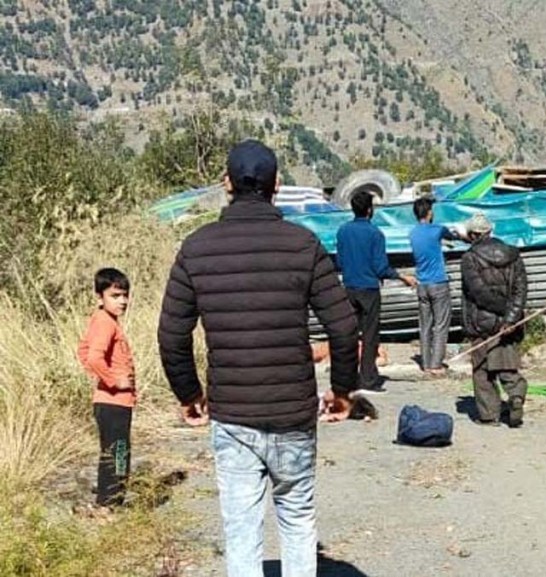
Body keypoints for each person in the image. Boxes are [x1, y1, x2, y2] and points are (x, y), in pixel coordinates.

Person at [158, 139, 360, 577]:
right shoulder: (303, 245)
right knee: (297, 518)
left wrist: (189, 394)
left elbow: (172, 334)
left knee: (241, 528)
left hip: (232, 413)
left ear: (226, 183)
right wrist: (342, 391)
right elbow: (344, 327)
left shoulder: (196, 248)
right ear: (277, 185)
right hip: (293, 412)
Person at [335, 189, 416, 392]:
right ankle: (368, 379)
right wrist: (402, 277)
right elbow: (381, 267)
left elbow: (340, 261)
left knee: (349, 335)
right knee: (370, 335)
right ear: (370, 210)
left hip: (349, 288)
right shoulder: (375, 234)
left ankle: (348, 378)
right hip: (369, 290)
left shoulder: (343, 231)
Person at [459, 213, 529, 428]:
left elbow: (478, 292)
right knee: (506, 364)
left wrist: (505, 313)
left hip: (482, 321)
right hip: (509, 323)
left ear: (472, 235)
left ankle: (489, 416)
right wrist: (511, 317)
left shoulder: (469, 258)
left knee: (482, 369)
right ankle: (516, 394)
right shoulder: (514, 255)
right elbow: (520, 290)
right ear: (490, 231)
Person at [77, 267, 136, 510]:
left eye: (125, 295)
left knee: (114, 451)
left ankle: (107, 502)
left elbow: (83, 352)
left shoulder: (104, 320)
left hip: (112, 403)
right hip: (113, 402)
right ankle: (108, 505)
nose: (122, 301)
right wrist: (113, 380)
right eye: (115, 295)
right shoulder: (105, 322)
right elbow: (93, 358)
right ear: (100, 297)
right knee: (118, 453)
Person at [409, 196, 464, 376]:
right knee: (441, 324)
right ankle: (436, 364)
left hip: (422, 284)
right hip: (438, 282)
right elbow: (454, 235)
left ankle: (426, 363)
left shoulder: (413, 233)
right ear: (430, 213)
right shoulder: (437, 230)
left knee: (425, 325)